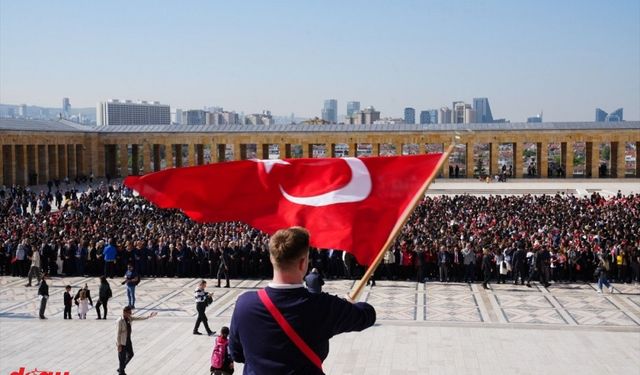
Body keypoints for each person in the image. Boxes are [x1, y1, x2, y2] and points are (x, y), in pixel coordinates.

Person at [229, 227, 376, 374]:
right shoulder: (322, 306)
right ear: (303, 262)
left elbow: (237, 353)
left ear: (271, 258)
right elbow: (367, 314)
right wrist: (346, 305)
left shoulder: (244, 304)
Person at [116, 305, 157, 375]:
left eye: (130, 313)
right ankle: (121, 372)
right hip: (122, 342)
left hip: (128, 340)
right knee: (122, 359)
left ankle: (121, 368)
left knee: (131, 354)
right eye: (129, 313)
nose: (130, 314)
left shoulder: (129, 318)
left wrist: (148, 316)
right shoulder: (120, 321)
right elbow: (117, 333)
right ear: (124, 312)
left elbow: (138, 318)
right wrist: (119, 345)